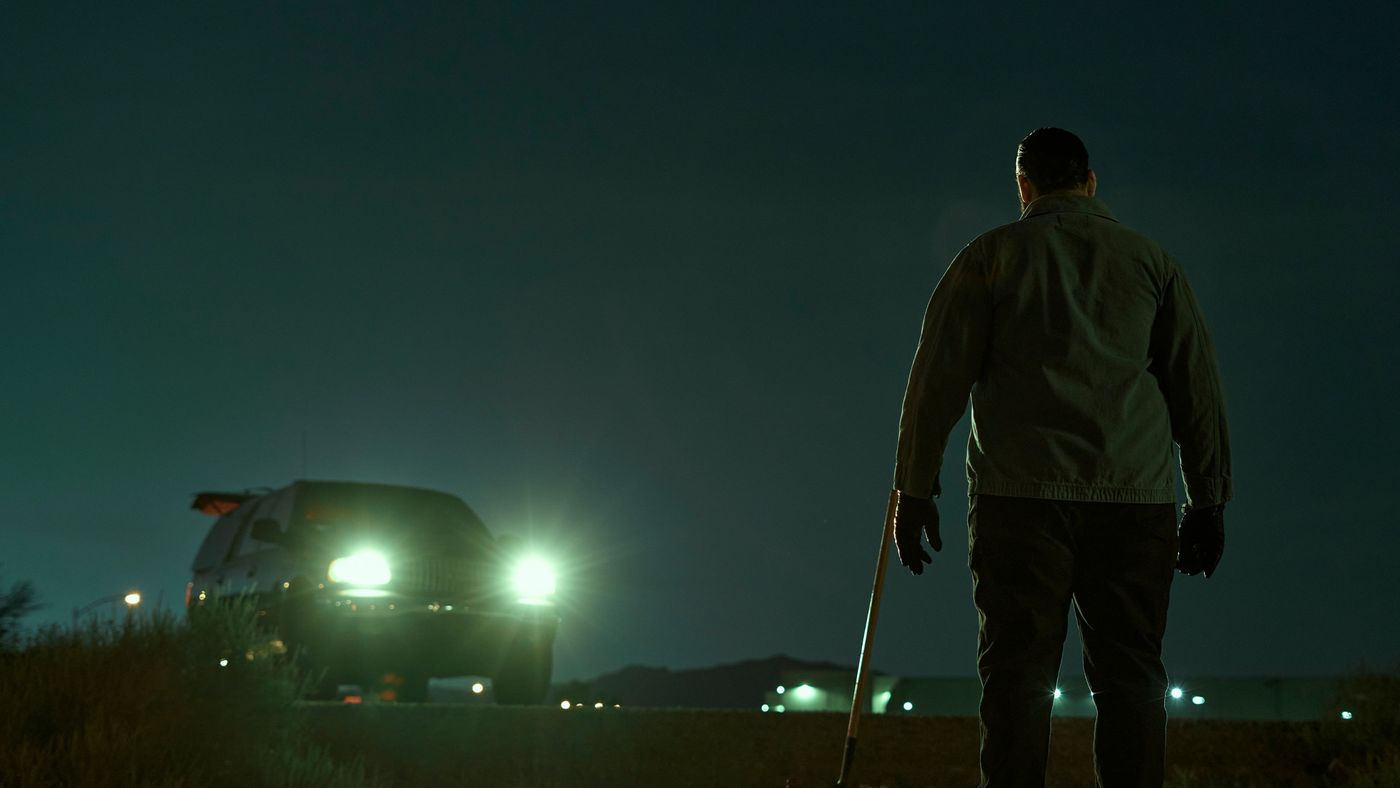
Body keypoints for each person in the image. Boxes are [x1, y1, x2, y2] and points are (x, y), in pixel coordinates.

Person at [890, 127, 1232, 787]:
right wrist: (1208, 500)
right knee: (1132, 681)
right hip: (1134, 500)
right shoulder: (1152, 263)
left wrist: (915, 488)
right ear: (1091, 182)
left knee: (1015, 683)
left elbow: (935, 383)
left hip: (1017, 501)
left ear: (1024, 186)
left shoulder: (989, 257)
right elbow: (1197, 389)